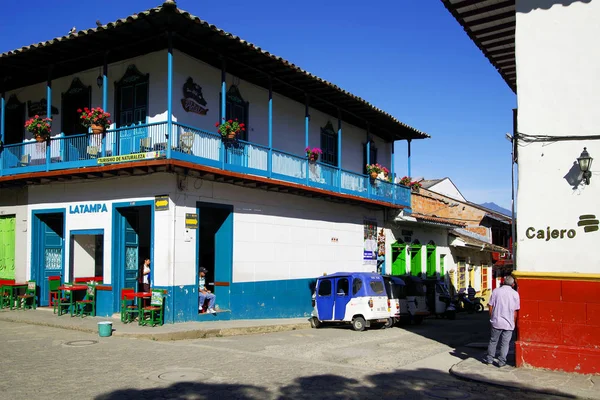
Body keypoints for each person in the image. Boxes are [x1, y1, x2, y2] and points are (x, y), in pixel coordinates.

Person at [484, 275, 520, 367]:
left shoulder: (496, 291)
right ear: (512, 284)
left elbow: (490, 305)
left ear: (503, 282)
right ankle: (501, 362)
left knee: (493, 341)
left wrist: (492, 317)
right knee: (505, 343)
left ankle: (489, 360)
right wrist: (514, 322)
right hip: (509, 322)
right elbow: (515, 311)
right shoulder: (515, 294)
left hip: (496, 321)